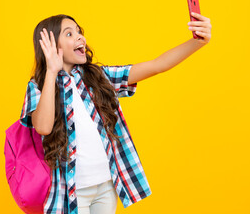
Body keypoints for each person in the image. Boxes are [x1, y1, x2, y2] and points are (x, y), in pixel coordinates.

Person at [20, 14, 212, 214]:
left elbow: (157, 65)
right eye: (69, 34)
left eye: (79, 31)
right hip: (70, 192)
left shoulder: (98, 77)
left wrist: (197, 42)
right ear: (50, 46)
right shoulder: (38, 86)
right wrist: (52, 71)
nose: (80, 37)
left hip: (106, 186)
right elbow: (43, 127)